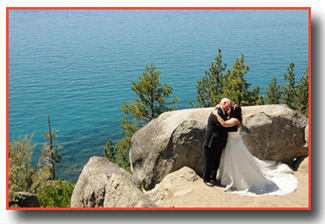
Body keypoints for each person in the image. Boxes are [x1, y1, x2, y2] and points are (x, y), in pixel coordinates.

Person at [212, 105, 298, 196]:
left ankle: (237, 181)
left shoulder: (234, 120)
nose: (228, 110)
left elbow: (224, 124)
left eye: (230, 109)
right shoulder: (236, 119)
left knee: (236, 163)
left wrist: (216, 114)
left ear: (233, 112)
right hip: (234, 142)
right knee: (236, 162)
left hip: (233, 144)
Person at [202, 98, 232, 187]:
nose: (230, 107)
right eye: (229, 105)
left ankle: (213, 177)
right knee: (209, 161)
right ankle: (206, 178)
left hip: (218, 142)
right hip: (212, 141)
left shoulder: (222, 112)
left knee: (216, 161)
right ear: (224, 103)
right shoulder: (216, 112)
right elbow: (223, 126)